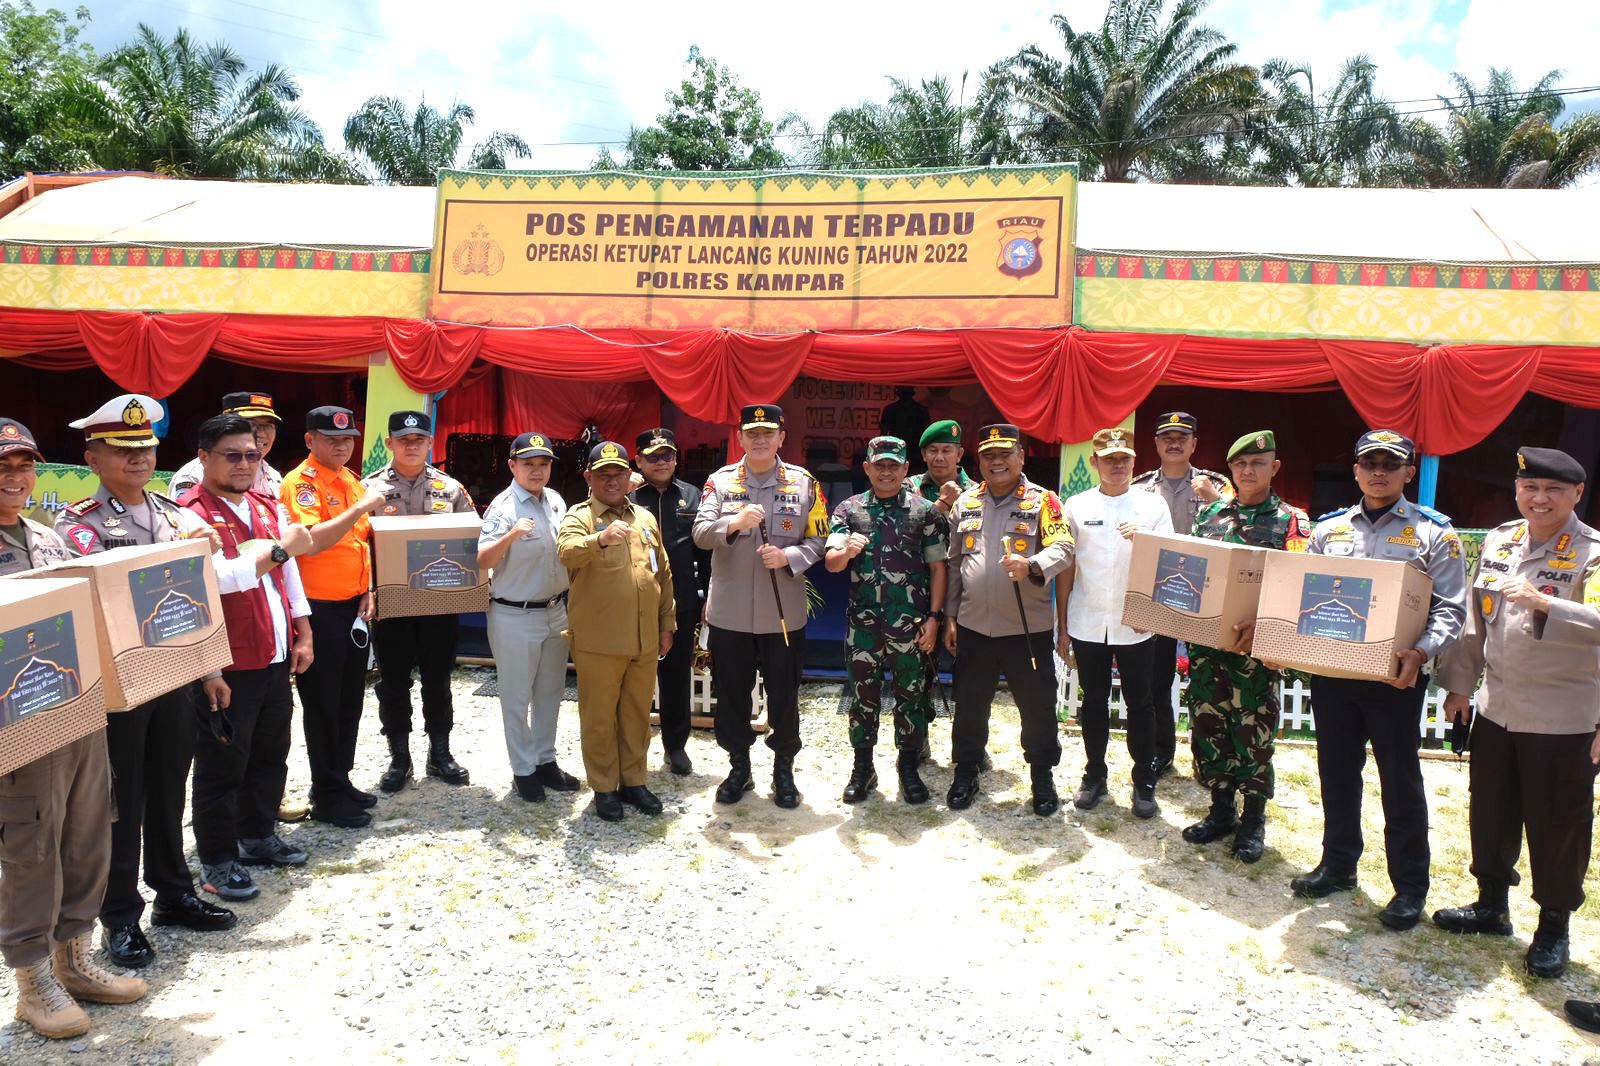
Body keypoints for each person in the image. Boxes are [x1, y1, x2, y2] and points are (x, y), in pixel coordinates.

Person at [55, 394, 252, 969]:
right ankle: (119, 916)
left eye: (145, 447)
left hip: (175, 681)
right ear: (93, 457)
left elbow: (195, 601)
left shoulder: (177, 517)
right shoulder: (77, 529)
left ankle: (174, 893)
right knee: (122, 803)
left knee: (169, 790)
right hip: (117, 693)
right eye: (122, 448)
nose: (138, 458)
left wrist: (210, 669)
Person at [0, 418, 148, 1040]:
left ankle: (75, 958)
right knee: (32, 844)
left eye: (23, 466)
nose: (16, 478)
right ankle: (32, 980)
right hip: (17, 721)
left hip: (79, 708)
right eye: (3, 468)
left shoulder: (49, 536)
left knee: (89, 829)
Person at [1433, 447, 1600, 978]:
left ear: (1577, 494)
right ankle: (1491, 905)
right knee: (1492, 810)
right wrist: (1460, 687)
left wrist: (1548, 602)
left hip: (1564, 718)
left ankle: (1554, 925)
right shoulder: (1502, 541)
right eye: (1531, 488)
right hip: (1498, 709)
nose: (1540, 498)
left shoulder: (1592, 553)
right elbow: (1475, 623)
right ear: (1517, 491)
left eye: (1554, 490)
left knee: (1558, 825)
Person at [1291, 429, 1467, 931]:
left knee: (1400, 781)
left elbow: (1451, 609)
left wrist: (1422, 651)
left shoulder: (1435, 533)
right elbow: (1306, 593)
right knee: (1337, 772)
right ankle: (1338, 863)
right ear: (1355, 470)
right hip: (1336, 673)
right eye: (1370, 462)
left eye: (1391, 464)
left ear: (1409, 472)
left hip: (1396, 676)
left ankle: (1409, 887)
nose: (1379, 472)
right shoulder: (1328, 531)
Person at [179, 414, 315, 903]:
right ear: (203, 458)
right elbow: (218, 579)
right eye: (231, 455)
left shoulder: (264, 504)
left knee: (270, 749)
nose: (243, 464)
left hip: (274, 651)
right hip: (229, 658)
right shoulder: (188, 514)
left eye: (252, 455)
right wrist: (280, 550)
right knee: (221, 763)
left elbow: (290, 575)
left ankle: (257, 836)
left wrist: (303, 631)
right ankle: (217, 859)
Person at [1179, 431, 1310, 863]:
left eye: (1257, 464)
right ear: (1230, 470)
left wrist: (1270, 629)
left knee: (1253, 733)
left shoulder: (1292, 521)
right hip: (1208, 648)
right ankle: (1221, 810)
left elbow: (1299, 585)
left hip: (1256, 651)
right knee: (1209, 725)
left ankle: (1253, 819)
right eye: (1239, 465)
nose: (1247, 471)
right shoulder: (1211, 515)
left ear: (1274, 468)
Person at [692, 404, 827, 809]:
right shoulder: (719, 483)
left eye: (769, 432)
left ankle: (783, 769)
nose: (761, 439)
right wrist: (732, 524)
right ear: (740, 438)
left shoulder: (805, 484)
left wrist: (791, 558)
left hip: (781, 613)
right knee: (731, 694)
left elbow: (821, 540)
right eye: (753, 433)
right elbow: (699, 533)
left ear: (782, 438)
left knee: (784, 695)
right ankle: (739, 768)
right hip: (730, 613)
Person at [944, 423, 1075, 814]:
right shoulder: (964, 503)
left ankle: (1041, 776)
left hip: (1026, 629)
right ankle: (966, 770)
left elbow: (1065, 548)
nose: (997, 462)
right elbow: (954, 565)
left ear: (1021, 457)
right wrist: (950, 616)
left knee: (1036, 706)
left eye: (1005, 454)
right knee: (969, 704)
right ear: (979, 460)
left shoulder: (1044, 501)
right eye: (989, 455)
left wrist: (1033, 563)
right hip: (972, 627)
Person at [279, 406, 388, 828]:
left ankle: (339, 780)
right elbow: (310, 543)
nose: (341, 446)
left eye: (347, 440)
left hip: (352, 606)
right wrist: (361, 509)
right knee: (322, 704)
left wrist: (369, 588)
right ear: (310, 441)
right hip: (317, 609)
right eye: (331, 439)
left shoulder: (349, 480)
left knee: (349, 701)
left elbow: (360, 545)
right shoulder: (300, 484)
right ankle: (325, 793)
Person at [557, 441, 676, 821]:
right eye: (603, 474)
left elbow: (663, 574)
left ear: (630, 477)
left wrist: (666, 624)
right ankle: (605, 787)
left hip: (643, 638)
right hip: (599, 639)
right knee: (599, 716)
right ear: (589, 477)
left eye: (619, 473)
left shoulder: (644, 517)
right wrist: (600, 539)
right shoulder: (580, 516)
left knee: (637, 714)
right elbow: (567, 552)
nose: (612, 480)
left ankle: (634, 781)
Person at [825, 435, 947, 804]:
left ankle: (908, 765)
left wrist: (935, 618)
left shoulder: (925, 511)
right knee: (863, 698)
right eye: (879, 465)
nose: (886, 471)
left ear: (906, 469)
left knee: (912, 695)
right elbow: (831, 564)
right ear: (867, 468)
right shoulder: (849, 509)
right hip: (864, 626)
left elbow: (938, 569)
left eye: (894, 465)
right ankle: (863, 767)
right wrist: (845, 550)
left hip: (911, 627)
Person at [1061, 427, 1173, 818]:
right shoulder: (1076, 505)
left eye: (1124, 458)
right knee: (1093, 702)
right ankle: (1094, 775)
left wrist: (1148, 540)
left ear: (1134, 461)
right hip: (1089, 618)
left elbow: (1171, 563)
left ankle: (1144, 780)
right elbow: (1067, 566)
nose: (1117, 465)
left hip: (1136, 622)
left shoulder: (1153, 507)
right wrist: (1062, 626)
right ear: (1094, 462)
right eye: (1109, 459)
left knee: (1141, 703)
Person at [363, 410, 475, 793]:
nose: (411, 446)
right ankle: (399, 757)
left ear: (430, 443)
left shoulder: (452, 488)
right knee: (393, 683)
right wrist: (368, 591)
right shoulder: (368, 489)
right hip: (390, 603)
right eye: (403, 440)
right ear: (390, 443)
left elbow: (471, 542)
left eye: (419, 440)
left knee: (439, 680)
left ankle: (440, 752)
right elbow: (358, 547)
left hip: (438, 603)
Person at [477, 431, 579, 803]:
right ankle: (523, 770)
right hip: (514, 614)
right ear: (512, 466)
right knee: (517, 697)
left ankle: (545, 760)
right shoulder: (503, 508)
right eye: (528, 464)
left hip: (555, 610)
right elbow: (483, 560)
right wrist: (511, 537)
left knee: (551, 691)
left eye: (543, 464)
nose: (536, 471)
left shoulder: (555, 501)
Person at [1131, 411, 1232, 779]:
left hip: (1207, 595)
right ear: (1156, 444)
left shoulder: (1217, 484)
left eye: (1181, 437)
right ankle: (1162, 752)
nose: (1174, 443)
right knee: (1156, 680)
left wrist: (1215, 499)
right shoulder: (1139, 487)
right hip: (1159, 594)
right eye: (1166, 437)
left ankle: (1210, 759)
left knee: (1210, 683)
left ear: (1194, 444)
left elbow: (1238, 527)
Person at [631, 427, 710, 776]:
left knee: (677, 675)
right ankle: (631, 748)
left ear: (676, 458)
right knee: (633, 676)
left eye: (667, 455)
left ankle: (675, 747)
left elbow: (706, 553)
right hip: (634, 602)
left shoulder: (694, 496)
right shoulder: (627, 497)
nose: (661, 462)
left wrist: (708, 595)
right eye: (653, 456)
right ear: (639, 461)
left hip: (680, 602)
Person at [905, 419, 976, 765]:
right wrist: (941, 507)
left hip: (967, 597)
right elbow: (902, 535)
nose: (939, 457)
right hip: (920, 595)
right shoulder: (907, 489)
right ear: (923, 454)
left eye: (947, 450)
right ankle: (919, 739)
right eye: (932, 450)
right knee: (919, 672)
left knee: (972, 676)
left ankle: (971, 745)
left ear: (960, 454)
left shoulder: (978, 491)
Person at [169, 391, 285, 499]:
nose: (260, 433)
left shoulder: (273, 476)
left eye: (268, 426)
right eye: (251, 425)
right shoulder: (193, 475)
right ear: (227, 427)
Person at [879, 386, 930, 454]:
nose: (905, 395)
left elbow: (927, 432)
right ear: (898, 393)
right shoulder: (890, 409)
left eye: (907, 392)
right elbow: (884, 432)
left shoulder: (921, 410)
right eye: (903, 392)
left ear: (912, 393)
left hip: (916, 451)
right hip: (896, 449)